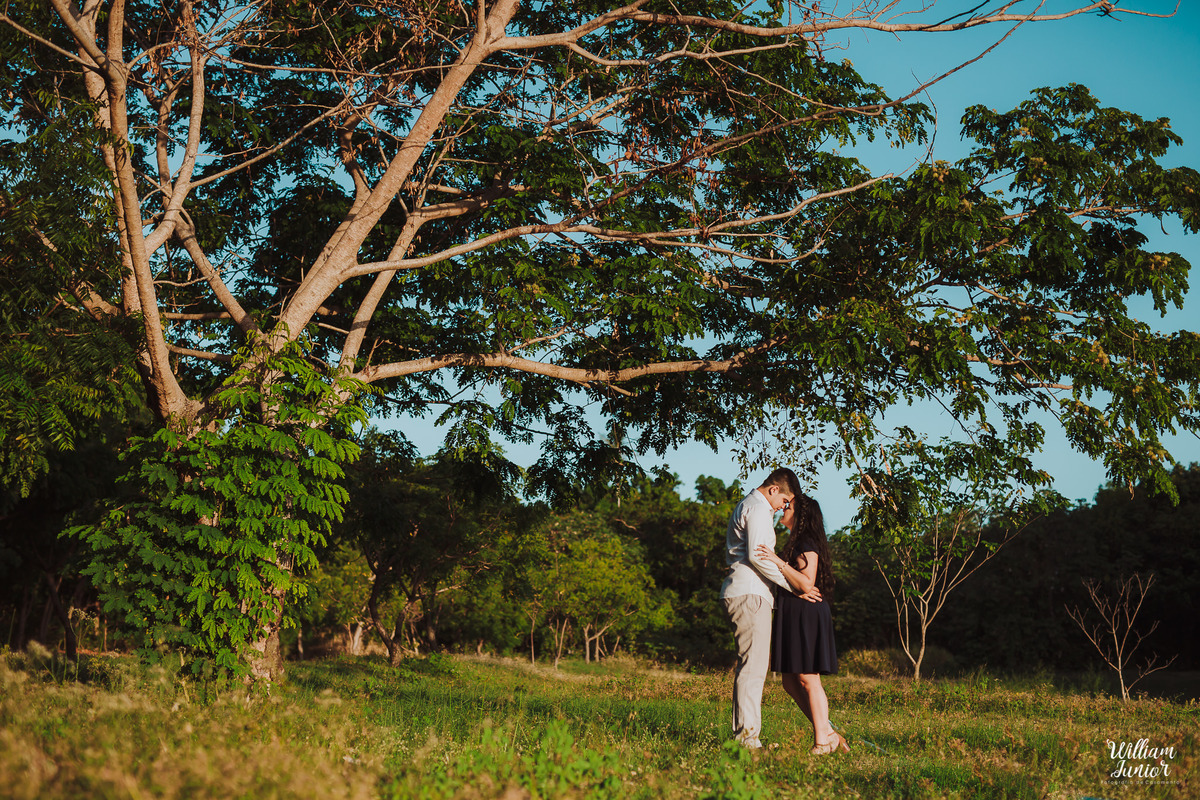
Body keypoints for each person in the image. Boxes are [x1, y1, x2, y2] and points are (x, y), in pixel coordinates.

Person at [720, 468, 819, 748]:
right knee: (752, 669)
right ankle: (747, 741)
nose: (783, 508)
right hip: (749, 593)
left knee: (754, 668)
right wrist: (796, 587)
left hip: (748, 592)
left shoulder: (751, 506)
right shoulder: (760, 509)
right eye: (785, 501)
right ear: (774, 490)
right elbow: (759, 557)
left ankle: (748, 737)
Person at [755, 492, 848, 755]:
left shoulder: (806, 541)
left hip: (806, 613)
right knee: (790, 682)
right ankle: (828, 732)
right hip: (791, 612)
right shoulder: (793, 541)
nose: (784, 508)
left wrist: (775, 560)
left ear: (801, 514)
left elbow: (807, 581)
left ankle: (822, 741)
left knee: (808, 678)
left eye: (789, 506)